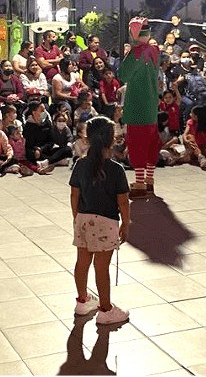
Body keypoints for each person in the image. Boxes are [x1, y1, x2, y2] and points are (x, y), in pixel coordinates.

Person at [69, 115, 130, 325]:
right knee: (101, 267)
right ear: (111, 140)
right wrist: (126, 223)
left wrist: (77, 217)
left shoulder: (80, 164)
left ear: (88, 138)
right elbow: (123, 201)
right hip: (106, 222)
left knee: (82, 262)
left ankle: (82, 301)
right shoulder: (116, 169)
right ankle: (105, 309)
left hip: (83, 218)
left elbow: (74, 194)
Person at [23, 99, 72, 167]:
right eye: (41, 111)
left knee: (67, 150)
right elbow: (29, 144)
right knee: (31, 154)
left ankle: (48, 162)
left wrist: (41, 149)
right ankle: (54, 161)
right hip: (35, 152)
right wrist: (37, 149)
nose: (44, 112)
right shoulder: (28, 126)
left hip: (46, 149)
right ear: (34, 112)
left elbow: (50, 141)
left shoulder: (47, 123)